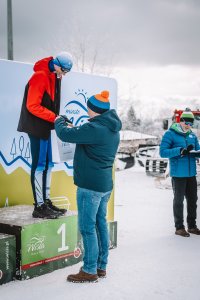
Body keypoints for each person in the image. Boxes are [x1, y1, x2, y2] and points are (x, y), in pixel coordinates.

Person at [55, 90, 122, 282]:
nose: (87, 110)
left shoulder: (95, 129)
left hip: (90, 187)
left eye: (89, 108)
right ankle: (101, 266)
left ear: (94, 110)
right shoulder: (110, 128)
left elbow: (64, 134)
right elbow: (86, 136)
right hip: (104, 185)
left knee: (87, 228)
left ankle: (89, 269)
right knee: (100, 224)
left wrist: (59, 120)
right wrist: (74, 127)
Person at [17, 52, 73, 219]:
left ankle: (45, 201)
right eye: (63, 71)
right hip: (36, 127)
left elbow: (49, 105)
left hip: (46, 126)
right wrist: (55, 117)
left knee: (49, 164)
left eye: (66, 72)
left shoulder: (54, 76)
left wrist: (59, 118)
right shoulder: (40, 76)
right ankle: (39, 206)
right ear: (56, 64)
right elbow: (32, 105)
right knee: (39, 165)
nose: (63, 75)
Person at [160, 109, 200, 237]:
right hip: (178, 174)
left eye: (191, 123)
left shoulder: (192, 136)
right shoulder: (170, 134)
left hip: (191, 173)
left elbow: (197, 149)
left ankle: (192, 226)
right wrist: (180, 151)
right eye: (186, 122)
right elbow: (163, 152)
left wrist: (198, 153)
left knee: (193, 200)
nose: (188, 125)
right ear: (180, 121)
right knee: (178, 201)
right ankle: (179, 227)